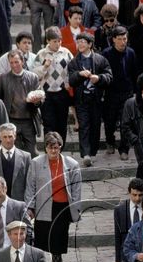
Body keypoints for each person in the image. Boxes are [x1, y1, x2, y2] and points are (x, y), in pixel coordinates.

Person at [25, 132, 82, 262]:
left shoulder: (71, 164)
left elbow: (77, 189)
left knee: (57, 248)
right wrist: (30, 207)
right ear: (46, 148)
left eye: (56, 147)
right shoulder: (36, 163)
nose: (53, 151)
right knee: (41, 246)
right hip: (43, 208)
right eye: (50, 148)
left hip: (62, 209)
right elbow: (31, 186)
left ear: (60, 147)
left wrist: (75, 209)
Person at [68, 32, 112, 166]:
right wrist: (79, 74)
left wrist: (99, 78)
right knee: (84, 126)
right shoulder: (74, 62)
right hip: (81, 99)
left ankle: (92, 151)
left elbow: (109, 76)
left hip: (96, 99)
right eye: (78, 42)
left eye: (83, 42)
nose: (80, 44)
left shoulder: (100, 59)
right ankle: (86, 154)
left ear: (90, 44)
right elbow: (71, 80)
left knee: (95, 125)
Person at [0, 49, 44, 158]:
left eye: (16, 62)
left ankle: (31, 173)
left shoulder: (32, 77)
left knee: (32, 152)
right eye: (11, 62)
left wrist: (36, 101)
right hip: (11, 120)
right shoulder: (3, 79)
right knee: (14, 152)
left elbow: (40, 101)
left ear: (22, 61)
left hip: (28, 120)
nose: (14, 65)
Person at [33, 26, 74, 146]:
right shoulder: (41, 54)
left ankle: (60, 148)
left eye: (59, 41)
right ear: (48, 41)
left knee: (62, 123)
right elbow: (34, 74)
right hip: (47, 94)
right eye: (54, 41)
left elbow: (72, 69)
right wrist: (44, 67)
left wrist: (68, 83)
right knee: (48, 123)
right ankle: (49, 149)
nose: (57, 44)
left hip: (62, 92)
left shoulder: (66, 52)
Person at [102, 26, 137, 159]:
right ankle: (110, 142)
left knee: (125, 122)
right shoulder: (106, 54)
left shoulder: (131, 53)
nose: (123, 42)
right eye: (120, 39)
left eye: (125, 39)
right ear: (114, 40)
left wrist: (135, 92)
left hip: (127, 92)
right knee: (109, 120)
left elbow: (134, 73)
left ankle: (124, 149)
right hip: (111, 92)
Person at [0, 123, 31, 202]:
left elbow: (29, 183)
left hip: (19, 203)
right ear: (0, 137)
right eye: (4, 137)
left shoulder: (26, 157)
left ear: (15, 136)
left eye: (10, 136)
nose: (8, 140)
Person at [114, 178, 143, 262]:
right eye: (134, 195)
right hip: (127, 253)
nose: (137, 198)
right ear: (129, 193)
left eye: (140, 195)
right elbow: (117, 235)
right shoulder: (120, 209)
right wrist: (118, 259)